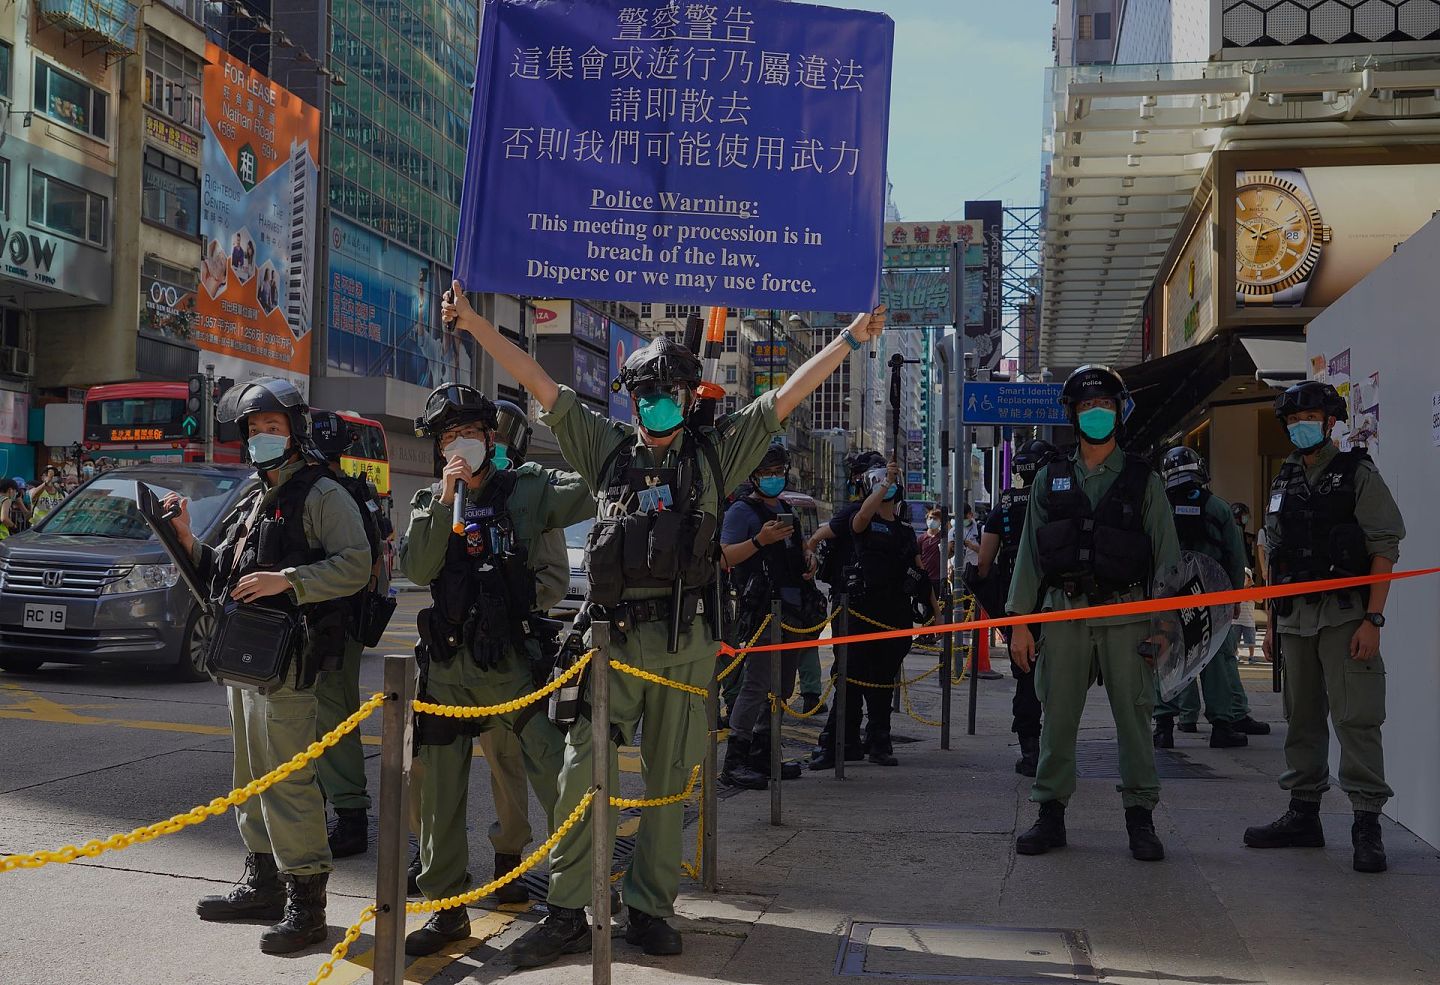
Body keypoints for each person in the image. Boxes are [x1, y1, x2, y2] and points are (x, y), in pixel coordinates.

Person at [443, 278, 887, 965]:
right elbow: (538, 378)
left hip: (686, 648)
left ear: (685, 399)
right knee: (579, 772)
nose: (654, 405)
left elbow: (785, 398)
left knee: (670, 781)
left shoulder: (716, 454)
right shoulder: (606, 448)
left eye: (666, 394)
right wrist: (473, 322)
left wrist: (850, 339)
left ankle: (650, 906)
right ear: (629, 399)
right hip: (614, 645)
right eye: (643, 394)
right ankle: (566, 907)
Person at [173, 378, 370, 954]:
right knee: (250, 777)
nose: (263, 437)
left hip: (289, 663)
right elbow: (226, 571)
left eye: (273, 428)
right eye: (255, 429)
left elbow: (356, 564)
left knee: (287, 781)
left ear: (295, 431)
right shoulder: (258, 494)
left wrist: (290, 581)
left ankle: (306, 904)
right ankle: (261, 882)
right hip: (246, 660)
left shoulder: (322, 493)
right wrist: (183, 537)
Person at [399, 384, 592, 955]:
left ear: (491, 439)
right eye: (449, 438)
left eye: (471, 435)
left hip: (513, 666)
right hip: (447, 669)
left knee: (557, 780)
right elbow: (417, 566)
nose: (461, 446)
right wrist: (444, 498)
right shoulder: (430, 503)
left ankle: (570, 903)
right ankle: (446, 906)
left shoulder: (529, 490)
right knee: (435, 791)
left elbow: (591, 488)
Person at [1006, 365, 1180, 862]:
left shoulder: (1145, 481)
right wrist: (1021, 621)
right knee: (1057, 719)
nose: (1095, 414)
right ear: (1072, 415)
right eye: (1086, 407)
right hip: (1064, 617)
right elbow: (1029, 558)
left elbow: (1167, 558)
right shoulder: (1049, 479)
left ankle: (1141, 818)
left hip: (1129, 617)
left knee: (1134, 719)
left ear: (1118, 412)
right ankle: (1050, 814)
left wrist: (1166, 626)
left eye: (1104, 405)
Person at [1243, 381, 1404, 874]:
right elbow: (1272, 552)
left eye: (1309, 417)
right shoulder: (1283, 481)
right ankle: (1303, 814)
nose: (1300, 426)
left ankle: (1366, 823)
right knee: (1302, 718)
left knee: (1356, 718)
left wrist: (1373, 618)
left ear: (1330, 421)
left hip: (1344, 616)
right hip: (1294, 619)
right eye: (1292, 420)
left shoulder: (1356, 472)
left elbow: (1384, 546)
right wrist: (1271, 622)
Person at [805, 453, 939, 770]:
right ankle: (837, 745)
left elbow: (920, 574)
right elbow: (860, 518)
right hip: (858, 614)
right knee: (849, 681)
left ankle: (879, 741)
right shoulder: (861, 520)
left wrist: (937, 615)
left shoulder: (906, 529)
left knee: (882, 683)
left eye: (890, 482)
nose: (886, 487)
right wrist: (884, 484)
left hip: (893, 617)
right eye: (877, 481)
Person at [306, 410, 394, 860]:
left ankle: (350, 815)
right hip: (346, 618)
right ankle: (335, 808)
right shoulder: (360, 491)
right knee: (328, 713)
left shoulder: (328, 493)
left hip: (333, 620)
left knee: (332, 715)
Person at [718, 441, 823, 789]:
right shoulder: (741, 512)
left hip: (792, 612)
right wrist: (760, 541)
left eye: (779, 472)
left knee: (781, 687)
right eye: (767, 473)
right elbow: (724, 558)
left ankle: (764, 754)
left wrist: (809, 562)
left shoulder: (786, 509)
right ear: (753, 476)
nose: (774, 479)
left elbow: (796, 553)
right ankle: (736, 760)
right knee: (756, 685)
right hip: (762, 613)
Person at [1150, 447, 1269, 750]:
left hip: (1169, 597)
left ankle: (1164, 727)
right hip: (1212, 596)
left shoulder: (1159, 505)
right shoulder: (1217, 507)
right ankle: (1222, 726)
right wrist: (1233, 599)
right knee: (1216, 658)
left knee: (1166, 658)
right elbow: (1234, 554)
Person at [976, 438, 1056, 777]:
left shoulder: (1004, 506)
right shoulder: (1057, 501)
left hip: (1015, 605)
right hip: (1057, 602)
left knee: (1025, 676)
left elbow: (982, 565)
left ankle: (1029, 751)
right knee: (1059, 675)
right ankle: (1056, 750)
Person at [918, 507, 946, 599]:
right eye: (930, 518)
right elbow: (917, 557)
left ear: (940, 521)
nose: (932, 520)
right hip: (925, 578)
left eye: (935, 518)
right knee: (926, 608)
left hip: (939, 578)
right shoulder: (921, 538)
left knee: (939, 606)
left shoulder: (943, 538)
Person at [1236, 568, 1260, 663]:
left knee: (1251, 640)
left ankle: (1251, 655)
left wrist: (1252, 595)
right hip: (1236, 620)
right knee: (1235, 640)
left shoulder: (1252, 590)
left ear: (1249, 579)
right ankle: (1236, 654)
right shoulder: (1236, 589)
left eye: (1244, 577)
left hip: (1249, 620)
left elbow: (1260, 600)